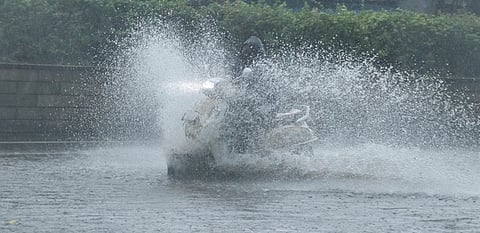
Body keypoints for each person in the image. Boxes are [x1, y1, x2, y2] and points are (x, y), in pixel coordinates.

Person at [222, 36, 277, 153]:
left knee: (246, 118)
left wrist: (251, 83)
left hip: (261, 102)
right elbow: (232, 74)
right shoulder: (239, 60)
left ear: (255, 50)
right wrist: (226, 79)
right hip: (240, 96)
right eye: (244, 47)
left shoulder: (263, 64)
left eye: (249, 48)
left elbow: (265, 87)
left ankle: (245, 148)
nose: (245, 50)